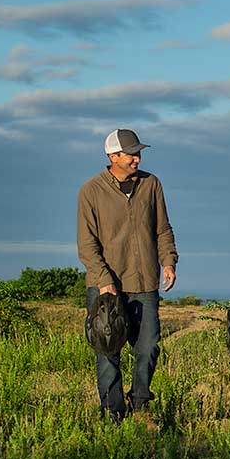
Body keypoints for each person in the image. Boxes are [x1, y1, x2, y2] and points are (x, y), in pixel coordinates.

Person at [76, 128, 177, 425]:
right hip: (105, 287)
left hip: (144, 283)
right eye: (131, 154)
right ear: (113, 156)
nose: (137, 159)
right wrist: (104, 279)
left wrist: (168, 261)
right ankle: (113, 414)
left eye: (138, 153)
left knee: (149, 347)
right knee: (108, 352)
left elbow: (162, 228)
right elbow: (86, 244)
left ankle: (141, 405)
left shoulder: (151, 184)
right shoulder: (90, 191)